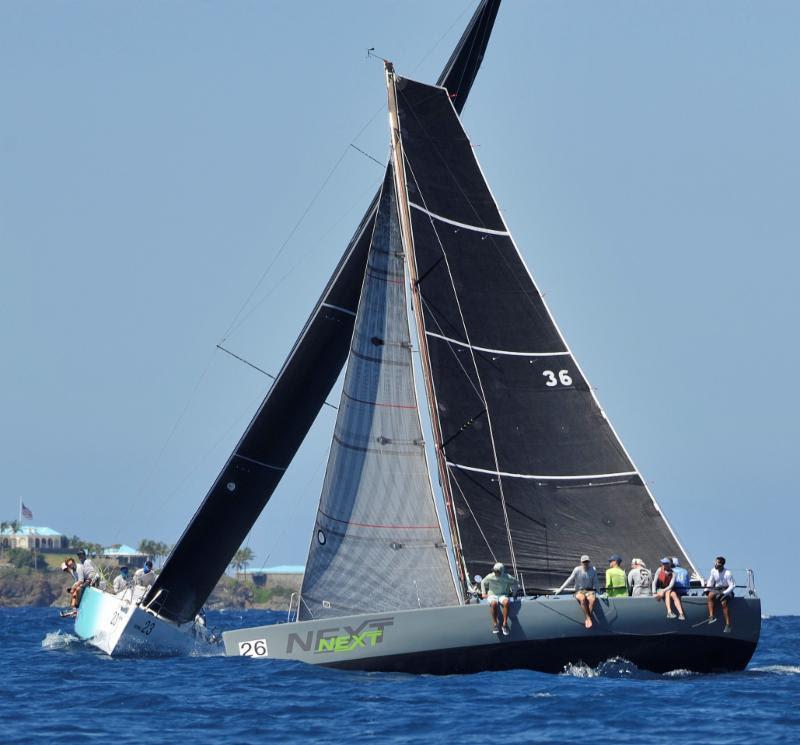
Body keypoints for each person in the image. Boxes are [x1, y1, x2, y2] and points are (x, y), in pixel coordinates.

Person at [556, 555, 600, 629]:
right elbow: (569, 580)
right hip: (579, 590)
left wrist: (599, 592)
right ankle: (589, 618)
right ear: (581, 562)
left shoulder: (593, 569)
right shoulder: (577, 569)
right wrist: (560, 589)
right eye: (584, 562)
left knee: (592, 599)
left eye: (587, 562)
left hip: (589, 590)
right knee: (582, 599)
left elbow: (596, 582)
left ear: (589, 562)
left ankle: (587, 619)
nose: (585, 563)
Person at [480, 562, 518, 636]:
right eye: (495, 571)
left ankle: (504, 624)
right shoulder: (490, 576)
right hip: (492, 595)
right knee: (494, 603)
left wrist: (514, 594)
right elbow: (482, 582)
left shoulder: (507, 577)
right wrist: (483, 593)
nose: (495, 573)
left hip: (503, 595)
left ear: (502, 571)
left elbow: (516, 582)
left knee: (506, 602)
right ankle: (495, 624)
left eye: (497, 571)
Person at [705, 555, 735, 632]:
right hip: (717, 589)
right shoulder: (713, 571)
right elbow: (711, 581)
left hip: (727, 589)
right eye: (715, 562)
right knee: (710, 595)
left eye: (717, 563)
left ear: (721, 564)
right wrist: (706, 589)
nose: (715, 564)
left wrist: (724, 593)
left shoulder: (728, 573)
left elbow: (732, 586)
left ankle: (728, 625)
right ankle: (711, 616)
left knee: (723, 602)